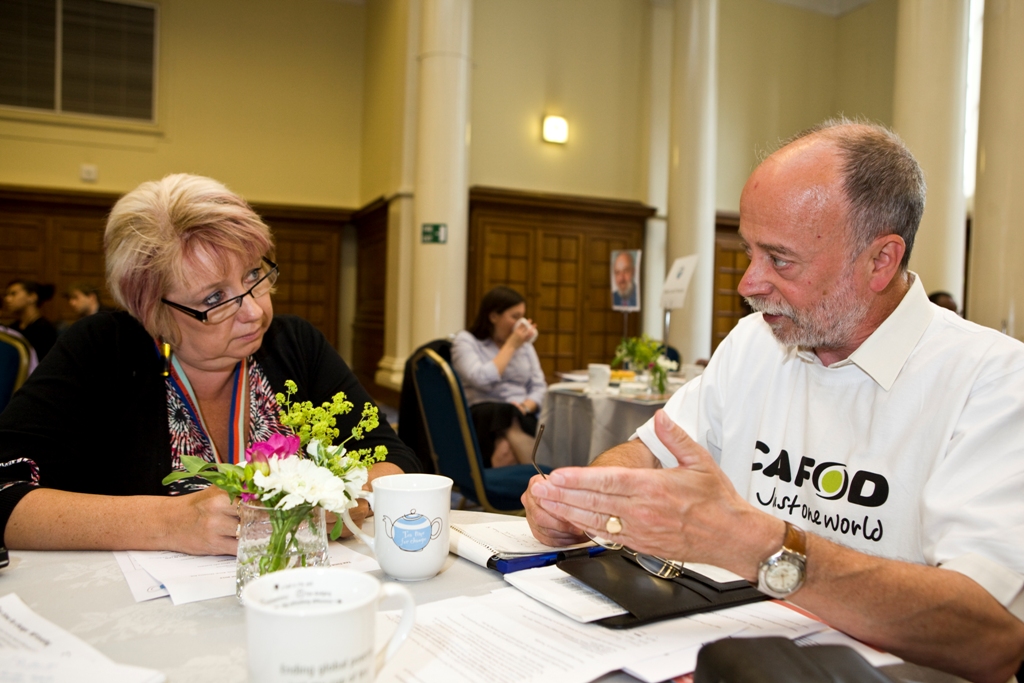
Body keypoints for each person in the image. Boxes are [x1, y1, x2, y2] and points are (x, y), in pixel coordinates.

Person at [523, 121, 1024, 682]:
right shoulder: (756, 342)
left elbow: (990, 637)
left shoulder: (995, 382)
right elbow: (644, 454)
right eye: (749, 252)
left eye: (780, 260)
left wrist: (756, 544)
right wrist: (586, 500)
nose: (748, 283)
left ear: (881, 260)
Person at [0, 174, 418, 555]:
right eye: (214, 299)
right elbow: (4, 493)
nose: (254, 312)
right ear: (153, 313)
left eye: (254, 275)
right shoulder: (101, 350)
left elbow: (394, 456)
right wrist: (171, 524)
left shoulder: (294, 344)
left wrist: (346, 499)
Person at [451, 286, 546, 468]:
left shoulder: (525, 347)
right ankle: (539, 477)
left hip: (521, 413)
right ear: (493, 316)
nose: (521, 324)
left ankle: (492, 487)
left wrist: (525, 406)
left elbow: (539, 387)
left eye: (523, 317)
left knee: (505, 448)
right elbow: (481, 379)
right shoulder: (466, 341)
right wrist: (511, 345)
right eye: (515, 317)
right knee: (502, 412)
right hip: (482, 415)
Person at [3, 280, 58, 360]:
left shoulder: (44, 329)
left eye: (13, 294)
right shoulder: (13, 327)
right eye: (6, 295)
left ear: (32, 297)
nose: (7, 299)